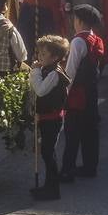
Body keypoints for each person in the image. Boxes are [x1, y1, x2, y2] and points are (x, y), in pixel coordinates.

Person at [60, 5, 103, 181]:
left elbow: (70, 71)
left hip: (78, 93)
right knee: (90, 131)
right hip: (91, 90)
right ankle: (89, 166)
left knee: (72, 133)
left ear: (79, 21)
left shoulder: (78, 41)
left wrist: (63, 94)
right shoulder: (96, 39)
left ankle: (67, 170)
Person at [28, 34, 69, 201]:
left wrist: (35, 72)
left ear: (55, 57)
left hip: (52, 119)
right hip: (45, 117)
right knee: (46, 152)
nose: (40, 57)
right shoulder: (47, 70)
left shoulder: (53, 74)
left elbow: (41, 90)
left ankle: (52, 188)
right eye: (39, 53)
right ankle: (48, 186)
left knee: (48, 152)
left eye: (44, 55)